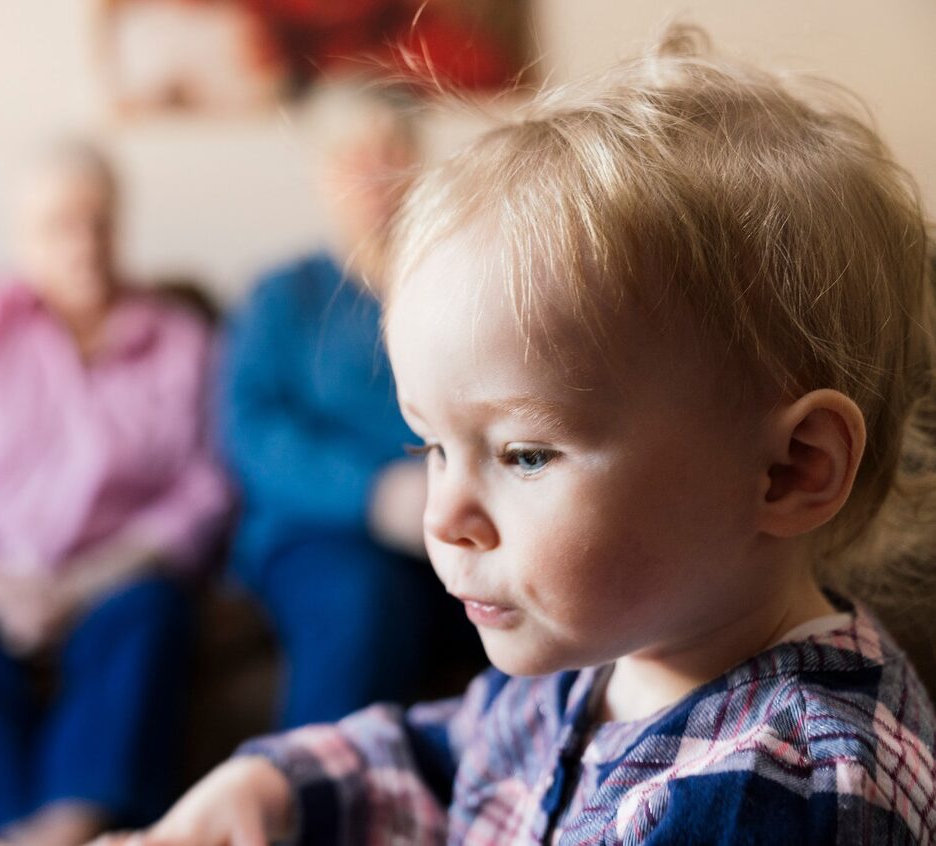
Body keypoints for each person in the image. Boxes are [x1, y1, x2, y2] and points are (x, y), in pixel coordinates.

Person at [94, 26, 936, 845]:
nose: (443, 517)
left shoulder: (777, 786)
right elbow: (441, 756)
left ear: (791, 469)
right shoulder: (613, 651)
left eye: (523, 455)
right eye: (431, 447)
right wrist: (271, 785)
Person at [0, 139, 230, 846]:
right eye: (60, 225)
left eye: (99, 221)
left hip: (114, 578)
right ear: (21, 234)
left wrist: (81, 584)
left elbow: (203, 488)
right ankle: (4, 832)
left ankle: (70, 830)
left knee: (150, 624)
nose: (85, 243)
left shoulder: (181, 340)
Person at [218, 84, 477, 729]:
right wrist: (373, 493)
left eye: (388, 153)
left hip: (456, 520)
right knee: (362, 599)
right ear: (322, 177)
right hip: (322, 532)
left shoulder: (466, 283)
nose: (372, 176)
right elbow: (251, 431)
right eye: (350, 158)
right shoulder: (282, 295)